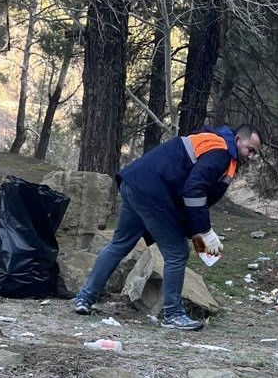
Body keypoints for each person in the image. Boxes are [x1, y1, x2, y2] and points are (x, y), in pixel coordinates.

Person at [74, 123, 262, 331]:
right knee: (177, 252)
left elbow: (185, 190)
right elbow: (194, 192)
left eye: (255, 153)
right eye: (250, 149)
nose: (251, 156)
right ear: (237, 140)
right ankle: (173, 314)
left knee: (119, 244)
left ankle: (84, 298)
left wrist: (195, 231)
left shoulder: (212, 141)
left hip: (135, 183)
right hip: (152, 193)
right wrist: (205, 231)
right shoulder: (221, 153)